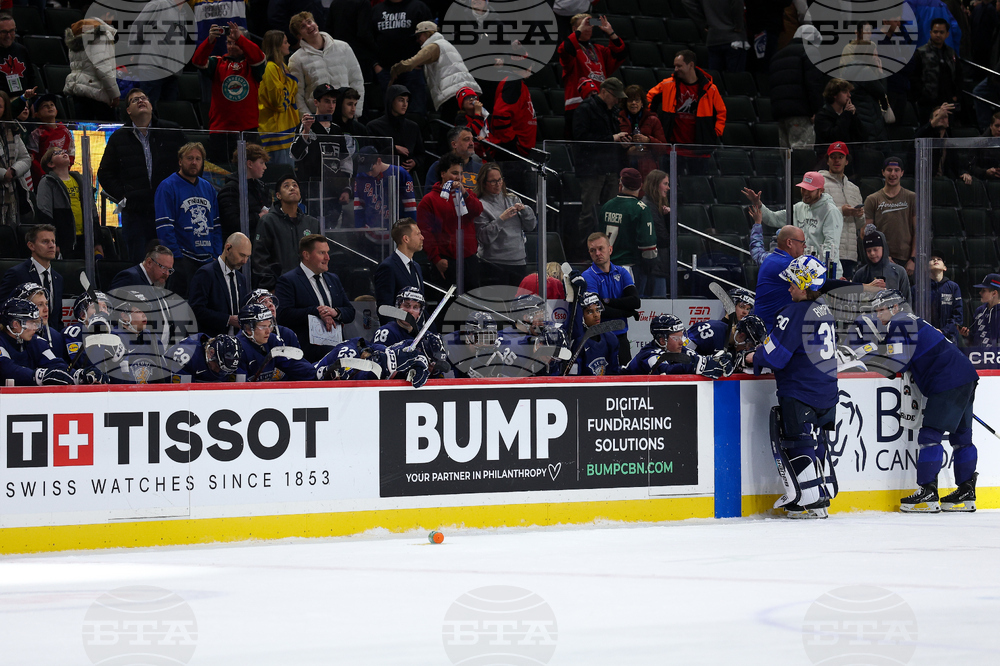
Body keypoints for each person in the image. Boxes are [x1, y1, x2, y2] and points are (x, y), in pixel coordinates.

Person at [860, 289, 980, 512]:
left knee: (929, 436)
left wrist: (866, 356)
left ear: (894, 308)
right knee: (962, 437)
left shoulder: (898, 323)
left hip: (947, 381)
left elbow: (897, 364)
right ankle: (966, 492)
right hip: (966, 376)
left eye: (880, 309)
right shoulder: (912, 320)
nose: (877, 315)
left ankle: (928, 492)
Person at [744, 255, 839, 519]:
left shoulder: (792, 313)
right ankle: (813, 494)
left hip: (801, 390)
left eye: (793, 284)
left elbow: (776, 357)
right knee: (817, 439)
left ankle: (811, 500)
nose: (789, 288)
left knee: (799, 442)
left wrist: (751, 356)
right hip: (827, 390)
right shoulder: (825, 309)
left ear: (805, 284)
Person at [97, 87, 188, 263]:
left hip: (169, 210)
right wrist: (124, 196)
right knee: (140, 263)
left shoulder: (171, 131)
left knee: (170, 263)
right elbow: (105, 173)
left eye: (144, 98)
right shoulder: (119, 137)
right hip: (136, 213)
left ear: (151, 106)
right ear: (128, 111)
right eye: (134, 100)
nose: (140, 100)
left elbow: (189, 163)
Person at [154, 142, 223, 299]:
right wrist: (176, 258)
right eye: (190, 158)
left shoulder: (208, 188)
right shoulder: (167, 186)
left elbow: (216, 226)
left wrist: (216, 255)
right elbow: (164, 227)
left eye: (198, 159)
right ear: (180, 161)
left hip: (207, 260)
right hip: (183, 260)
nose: (194, 162)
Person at [192, 21, 267, 164]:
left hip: (247, 130)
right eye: (229, 42)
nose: (232, 46)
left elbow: (259, 57)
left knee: (249, 174)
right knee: (221, 175)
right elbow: (197, 61)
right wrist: (209, 41)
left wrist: (240, 38)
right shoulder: (218, 63)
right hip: (220, 130)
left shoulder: (252, 66)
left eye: (236, 43)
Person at [572, 77, 630, 261]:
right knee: (589, 213)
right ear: (604, 92)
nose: (617, 101)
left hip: (610, 167)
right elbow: (581, 139)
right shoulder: (585, 109)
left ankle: (609, 252)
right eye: (615, 96)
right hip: (591, 170)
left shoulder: (612, 111)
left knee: (611, 214)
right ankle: (584, 254)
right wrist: (612, 139)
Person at [274, 233, 357, 362]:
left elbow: (350, 312)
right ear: (306, 255)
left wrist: (335, 312)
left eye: (328, 252)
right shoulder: (288, 280)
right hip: (306, 356)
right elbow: (283, 315)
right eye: (322, 253)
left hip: (335, 353)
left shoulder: (333, 279)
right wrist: (316, 311)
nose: (328, 257)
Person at [743, 172, 843, 277]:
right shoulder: (798, 207)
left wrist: (816, 271)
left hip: (825, 272)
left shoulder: (831, 212)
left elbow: (831, 247)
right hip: (803, 273)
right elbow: (773, 219)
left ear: (821, 190)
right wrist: (758, 204)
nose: (805, 193)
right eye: (803, 189)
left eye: (810, 190)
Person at [417, 152, 485, 290]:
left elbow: (477, 210)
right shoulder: (429, 200)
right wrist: (436, 259)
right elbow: (426, 233)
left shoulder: (467, 194)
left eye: (460, 173)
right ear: (443, 174)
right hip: (446, 259)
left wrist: (465, 194)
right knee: (447, 304)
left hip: (469, 258)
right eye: (454, 173)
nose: (458, 177)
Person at [388, 21, 481, 120]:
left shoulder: (433, 46)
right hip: (464, 90)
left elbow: (411, 63)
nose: (417, 40)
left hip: (454, 92)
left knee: (449, 127)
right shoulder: (443, 44)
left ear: (427, 33)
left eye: (419, 36)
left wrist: (395, 69)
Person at [289, 83, 352, 228]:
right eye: (327, 101)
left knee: (331, 233)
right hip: (312, 193)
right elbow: (294, 155)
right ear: (316, 102)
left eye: (334, 102)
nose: (331, 105)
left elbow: (345, 161)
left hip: (334, 194)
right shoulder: (306, 125)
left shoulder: (337, 130)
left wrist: (346, 189)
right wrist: (305, 131)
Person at [558, 14, 625, 135]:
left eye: (591, 25)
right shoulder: (572, 50)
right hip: (577, 106)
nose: (589, 28)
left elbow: (620, 54)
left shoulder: (598, 50)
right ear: (575, 29)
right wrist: (579, 30)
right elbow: (565, 48)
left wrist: (610, 32)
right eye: (585, 25)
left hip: (601, 106)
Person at [288, 12, 365, 118]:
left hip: (345, 114)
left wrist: (356, 111)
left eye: (309, 22)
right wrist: (309, 119)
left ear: (316, 23)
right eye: (303, 27)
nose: (309, 27)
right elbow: (298, 94)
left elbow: (356, 80)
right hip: (318, 117)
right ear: (299, 36)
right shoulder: (296, 59)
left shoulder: (343, 47)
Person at [473, 162, 537, 287]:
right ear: (483, 183)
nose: (498, 184)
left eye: (499, 180)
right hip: (493, 263)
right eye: (493, 181)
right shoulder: (480, 204)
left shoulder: (512, 199)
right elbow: (484, 237)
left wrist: (525, 210)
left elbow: (531, 226)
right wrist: (501, 219)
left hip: (518, 261)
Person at [647, 50, 727, 149]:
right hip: (672, 148)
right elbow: (648, 98)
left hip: (699, 149)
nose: (676, 69)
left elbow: (721, 112)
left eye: (679, 66)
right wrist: (652, 120)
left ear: (691, 65)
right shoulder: (667, 84)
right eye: (675, 66)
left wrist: (713, 133)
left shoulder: (710, 89)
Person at [581, 232, 640, 364]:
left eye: (601, 249)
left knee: (625, 377)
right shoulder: (588, 276)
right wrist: (627, 312)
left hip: (621, 336)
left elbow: (635, 302)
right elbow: (598, 311)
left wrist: (607, 301)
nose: (597, 253)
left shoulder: (622, 272)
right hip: (599, 338)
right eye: (592, 250)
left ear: (610, 249)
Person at [252, 173, 319, 290]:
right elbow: (260, 259)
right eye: (286, 186)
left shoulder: (312, 223)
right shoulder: (268, 221)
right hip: (280, 288)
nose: (292, 188)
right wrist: (271, 287)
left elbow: (319, 256)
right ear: (278, 195)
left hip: (309, 288)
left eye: (295, 185)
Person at [35, 147, 101, 260]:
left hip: (85, 239)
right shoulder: (47, 182)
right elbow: (45, 214)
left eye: (64, 151)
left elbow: (93, 212)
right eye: (57, 153)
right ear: (50, 164)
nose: (63, 153)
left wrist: (97, 242)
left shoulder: (80, 180)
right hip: (64, 239)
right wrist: (53, 242)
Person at [768, 25, 826, 148]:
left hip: (780, 114)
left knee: (786, 156)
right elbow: (814, 83)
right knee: (802, 155)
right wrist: (817, 110)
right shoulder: (809, 51)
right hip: (801, 114)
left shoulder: (778, 55)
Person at [371, 0, 433, 116]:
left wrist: (421, 61)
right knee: (389, 114)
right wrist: (375, 65)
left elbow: (431, 37)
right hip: (385, 71)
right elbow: (369, 39)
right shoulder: (376, 10)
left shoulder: (418, 7)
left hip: (413, 70)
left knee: (416, 112)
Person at [599, 167, 657, 289]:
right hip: (630, 268)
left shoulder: (606, 206)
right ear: (640, 185)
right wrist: (649, 267)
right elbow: (648, 246)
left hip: (606, 267)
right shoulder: (640, 209)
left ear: (621, 183)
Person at [0, 298, 79, 387]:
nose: (35, 328)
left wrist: (78, 375)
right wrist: (40, 376)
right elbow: (6, 369)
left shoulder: (34, 340)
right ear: (15, 324)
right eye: (32, 323)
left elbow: (55, 363)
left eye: (37, 323)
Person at [0, 225, 64, 332]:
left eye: (53, 241)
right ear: (31, 246)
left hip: (51, 339)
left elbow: (56, 318)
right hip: (24, 339)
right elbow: (3, 309)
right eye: (45, 242)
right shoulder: (17, 274)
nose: (51, 245)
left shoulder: (58, 278)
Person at [625, 314, 732, 377]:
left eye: (681, 336)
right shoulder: (649, 354)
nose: (681, 342)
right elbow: (664, 371)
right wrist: (694, 366)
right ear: (662, 340)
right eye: (676, 338)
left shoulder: (679, 349)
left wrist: (716, 362)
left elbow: (699, 360)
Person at [353, 148, 417, 254]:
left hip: (397, 236)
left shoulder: (400, 173)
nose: (368, 173)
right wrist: (359, 227)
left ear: (379, 161)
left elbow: (410, 206)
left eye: (371, 169)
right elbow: (358, 203)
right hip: (370, 235)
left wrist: (411, 230)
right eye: (365, 170)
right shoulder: (361, 176)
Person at [188, 232, 252, 337]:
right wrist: (228, 319)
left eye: (248, 256)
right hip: (210, 341)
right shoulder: (206, 273)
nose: (245, 261)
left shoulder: (241, 278)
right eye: (241, 255)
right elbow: (196, 310)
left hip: (237, 342)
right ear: (228, 249)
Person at [863, 157, 917, 276]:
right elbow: (866, 232)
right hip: (880, 259)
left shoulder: (912, 198)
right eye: (889, 170)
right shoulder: (872, 199)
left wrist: (913, 259)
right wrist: (883, 256)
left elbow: (918, 231)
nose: (893, 174)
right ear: (883, 172)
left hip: (907, 260)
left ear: (902, 173)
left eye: (896, 170)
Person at [237, 303, 317, 381]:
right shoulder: (238, 348)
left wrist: (317, 373)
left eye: (269, 326)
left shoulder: (273, 340)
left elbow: (293, 366)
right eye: (263, 327)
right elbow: (238, 388)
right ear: (247, 328)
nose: (268, 331)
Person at [818, 142, 864, 278]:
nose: (837, 160)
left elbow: (860, 224)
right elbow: (814, 214)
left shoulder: (854, 189)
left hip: (849, 253)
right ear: (827, 160)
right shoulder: (821, 184)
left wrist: (859, 214)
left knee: (845, 295)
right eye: (833, 157)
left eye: (840, 157)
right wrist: (841, 211)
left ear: (847, 161)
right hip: (828, 252)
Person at [748, 224, 806, 329]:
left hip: (767, 326)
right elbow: (815, 283)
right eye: (802, 242)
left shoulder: (770, 258)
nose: (805, 246)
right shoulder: (786, 264)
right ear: (790, 243)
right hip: (771, 331)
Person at [62, 17, 119, 122]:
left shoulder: (77, 34)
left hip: (78, 92)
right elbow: (102, 68)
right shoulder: (101, 35)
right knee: (107, 133)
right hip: (98, 94)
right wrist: (115, 95)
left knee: (84, 133)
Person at [258, 30, 299, 166]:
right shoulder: (271, 68)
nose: (288, 45)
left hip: (286, 133)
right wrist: (292, 81)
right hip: (276, 135)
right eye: (285, 42)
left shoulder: (282, 66)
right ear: (277, 46)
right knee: (279, 179)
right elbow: (279, 103)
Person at [365, 85, 424, 176]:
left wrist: (415, 162)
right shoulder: (374, 127)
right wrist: (394, 148)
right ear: (391, 101)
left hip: (407, 178)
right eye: (401, 100)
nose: (405, 104)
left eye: (407, 101)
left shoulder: (413, 127)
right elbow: (371, 155)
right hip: (381, 177)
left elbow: (421, 154)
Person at [911, 18, 962, 123]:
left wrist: (956, 96)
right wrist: (923, 95)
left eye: (941, 32)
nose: (938, 35)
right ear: (930, 33)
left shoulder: (951, 53)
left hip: (948, 102)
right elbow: (914, 77)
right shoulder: (921, 53)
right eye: (935, 32)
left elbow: (958, 76)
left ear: (947, 34)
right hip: (928, 103)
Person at [373, 219, 424, 321]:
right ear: (406, 239)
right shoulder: (388, 267)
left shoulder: (416, 266)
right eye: (418, 234)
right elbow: (385, 309)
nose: (422, 237)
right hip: (400, 333)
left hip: (418, 333)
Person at [218, 144, 271, 241]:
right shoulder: (230, 190)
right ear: (250, 164)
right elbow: (232, 223)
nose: (265, 167)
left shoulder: (262, 188)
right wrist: (259, 217)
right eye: (262, 163)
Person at [27, 94, 74, 191]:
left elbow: (71, 152)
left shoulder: (65, 130)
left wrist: (65, 172)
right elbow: (34, 159)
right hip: (44, 180)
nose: (49, 107)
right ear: (37, 114)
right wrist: (44, 176)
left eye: (52, 104)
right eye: (44, 106)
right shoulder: (36, 134)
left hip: (63, 177)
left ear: (56, 111)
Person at [568, 292, 620, 376]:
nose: (596, 315)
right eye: (590, 312)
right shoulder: (578, 342)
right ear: (581, 316)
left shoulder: (611, 338)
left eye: (597, 310)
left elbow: (613, 372)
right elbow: (574, 378)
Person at [619, 85, 666, 177]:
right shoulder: (618, 120)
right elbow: (611, 147)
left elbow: (663, 148)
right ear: (625, 102)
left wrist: (648, 140)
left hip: (648, 169)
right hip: (624, 167)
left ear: (642, 103)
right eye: (630, 100)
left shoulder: (653, 120)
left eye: (637, 100)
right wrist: (627, 151)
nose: (633, 103)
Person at [0, 91, 31, 228]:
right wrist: (2, 174)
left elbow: (25, 158)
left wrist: (13, 171)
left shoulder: (12, 130)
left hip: (11, 191)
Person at [423, 126, 483, 193]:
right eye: (466, 139)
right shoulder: (439, 166)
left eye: (472, 140)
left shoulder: (480, 168)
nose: (472, 143)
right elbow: (430, 195)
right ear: (454, 144)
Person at [166, 333, 244, 382]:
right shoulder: (186, 356)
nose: (219, 372)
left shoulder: (232, 359)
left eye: (226, 371)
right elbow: (182, 394)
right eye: (218, 367)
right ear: (211, 353)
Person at [922, 256, 963, 345]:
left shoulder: (953, 287)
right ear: (926, 268)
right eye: (931, 259)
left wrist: (943, 331)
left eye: (939, 259)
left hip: (949, 339)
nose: (935, 260)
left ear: (945, 268)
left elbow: (958, 316)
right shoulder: (919, 289)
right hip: (925, 338)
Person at [814, 78, 862, 146]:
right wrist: (846, 115)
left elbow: (861, 137)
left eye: (849, 92)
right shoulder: (822, 116)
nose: (849, 95)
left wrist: (854, 117)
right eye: (845, 92)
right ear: (834, 94)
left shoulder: (849, 113)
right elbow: (836, 137)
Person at [0, 13, 35, 100]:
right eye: (4, 32)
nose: (8, 36)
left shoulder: (21, 50)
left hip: (23, 100)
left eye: (12, 31)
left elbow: (31, 76)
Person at [961, 272, 1000, 348]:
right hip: (978, 356)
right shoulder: (979, 310)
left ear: (994, 293)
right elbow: (974, 338)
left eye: (983, 290)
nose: (980, 292)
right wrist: (967, 335)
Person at [110, 246, 175, 290]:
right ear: (149, 263)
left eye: (169, 270)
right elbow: (112, 302)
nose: (167, 274)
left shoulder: (155, 282)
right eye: (164, 268)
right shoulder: (129, 277)